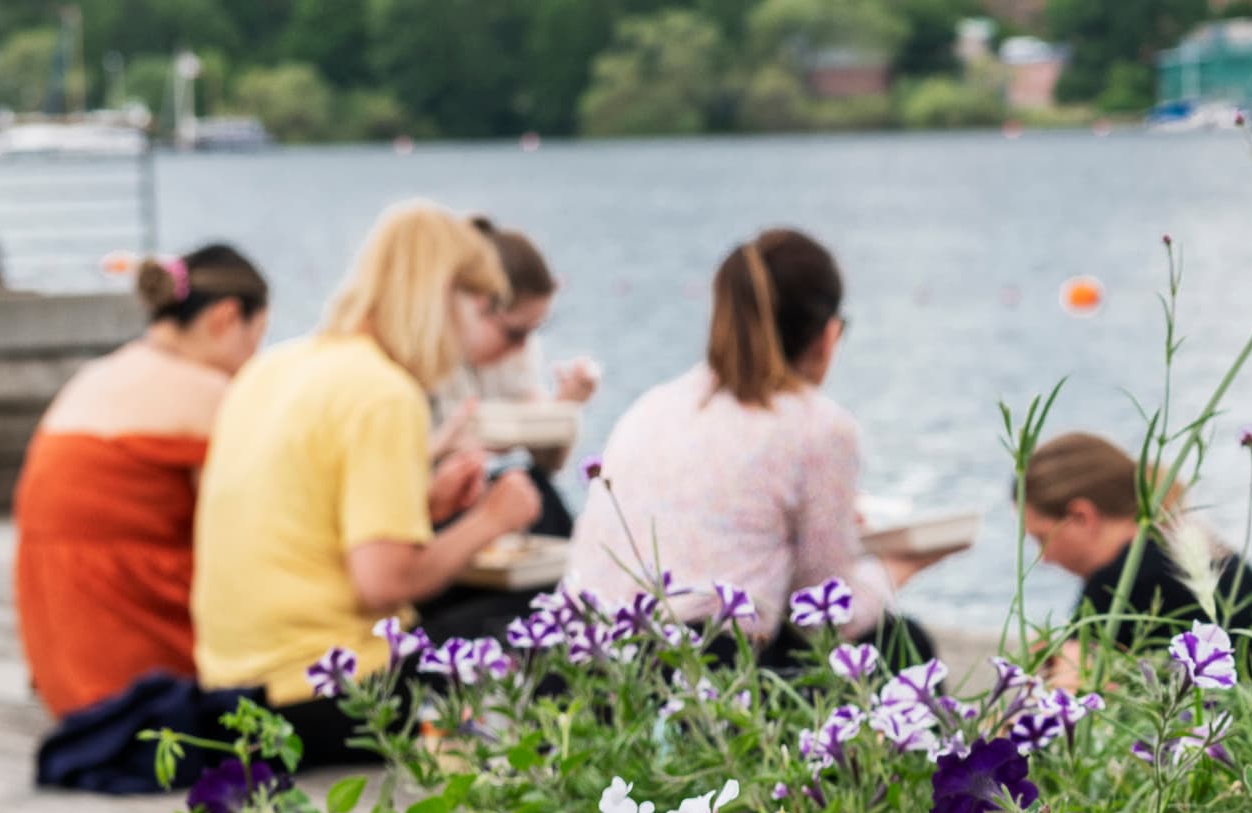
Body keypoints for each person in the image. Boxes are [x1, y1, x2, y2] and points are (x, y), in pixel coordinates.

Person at [193, 200, 540, 766]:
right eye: (479, 306)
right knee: (537, 609)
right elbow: (382, 583)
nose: (475, 329)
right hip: (326, 697)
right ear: (443, 298)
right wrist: (490, 520)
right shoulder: (383, 392)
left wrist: (422, 506)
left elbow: (307, 522)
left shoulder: (275, 366)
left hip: (233, 689)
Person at [565, 228, 944, 665]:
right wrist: (895, 571)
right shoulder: (818, 426)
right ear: (829, 335)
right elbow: (826, 617)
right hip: (691, 674)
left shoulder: (652, 405)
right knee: (902, 644)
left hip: (580, 661)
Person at [12, 245, 268, 718]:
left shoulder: (101, 373)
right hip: (135, 656)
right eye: (256, 338)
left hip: (63, 648)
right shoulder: (208, 391)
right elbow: (249, 532)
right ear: (227, 317)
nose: (255, 357)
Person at [1018, 431, 1252, 659]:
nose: (1044, 558)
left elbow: (1074, 689)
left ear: (1081, 516)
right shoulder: (1185, 546)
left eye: (1042, 538)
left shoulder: (1121, 580)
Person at [432, 217, 598, 537]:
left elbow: (547, 464)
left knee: (539, 492)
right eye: (514, 332)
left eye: (534, 332)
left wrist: (564, 407)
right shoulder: (424, 358)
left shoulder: (515, 354)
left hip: (473, 496)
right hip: (430, 506)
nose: (523, 345)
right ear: (475, 305)